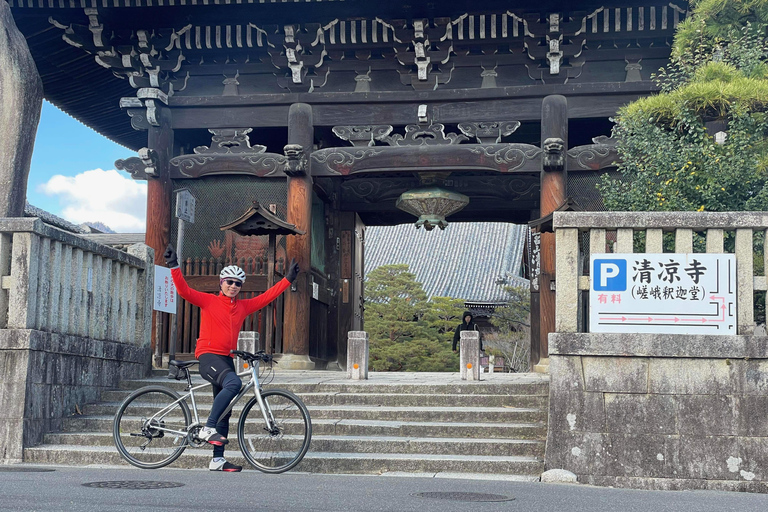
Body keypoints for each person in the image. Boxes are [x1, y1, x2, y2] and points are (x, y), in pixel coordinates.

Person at [164, 244, 299, 472]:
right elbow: (184, 291)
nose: (233, 286)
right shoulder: (209, 301)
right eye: (229, 282)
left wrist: (287, 280)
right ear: (221, 283)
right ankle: (208, 428)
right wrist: (174, 266)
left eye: (238, 283)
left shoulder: (243, 307)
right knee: (234, 383)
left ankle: (217, 460)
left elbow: (267, 297)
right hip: (207, 356)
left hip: (225, 359)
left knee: (226, 410)